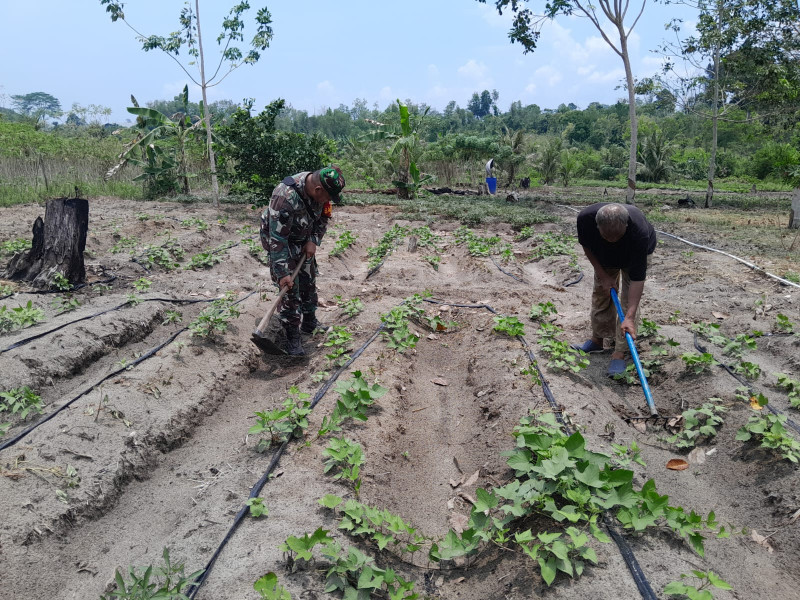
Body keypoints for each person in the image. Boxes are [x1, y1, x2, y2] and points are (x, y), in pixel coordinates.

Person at [260, 167, 345, 356]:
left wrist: (313, 239)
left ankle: (309, 323)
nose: (329, 201)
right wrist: (283, 274)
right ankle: (292, 338)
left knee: (308, 281)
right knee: (290, 290)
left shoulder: (320, 195)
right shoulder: (284, 197)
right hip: (282, 243)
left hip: (303, 237)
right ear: (317, 191)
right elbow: (277, 240)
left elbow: (324, 216)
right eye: (328, 196)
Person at [572, 202, 656, 376]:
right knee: (601, 293)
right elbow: (587, 247)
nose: (612, 240)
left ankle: (620, 352)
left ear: (626, 226)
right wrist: (603, 276)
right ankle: (597, 340)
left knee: (627, 300)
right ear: (597, 227)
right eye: (606, 236)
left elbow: (637, 280)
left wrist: (630, 318)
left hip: (633, 256)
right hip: (603, 255)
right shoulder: (585, 220)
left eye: (617, 236)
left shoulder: (640, 234)